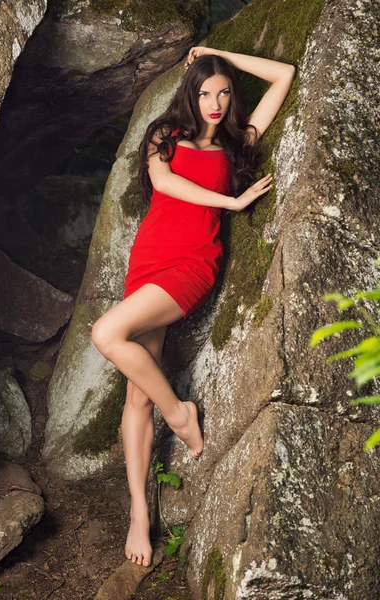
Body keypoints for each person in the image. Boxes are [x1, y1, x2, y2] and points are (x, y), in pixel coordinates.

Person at [91, 46, 296, 567]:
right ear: (190, 94)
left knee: (106, 334)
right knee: (136, 395)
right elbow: (165, 183)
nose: (215, 102)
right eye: (205, 92)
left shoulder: (238, 142)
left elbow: (285, 75)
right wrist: (230, 202)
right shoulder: (166, 135)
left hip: (191, 265)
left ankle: (180, 412)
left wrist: (219, 55)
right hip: (148, 261)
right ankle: (140, 512)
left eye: (223, 92)